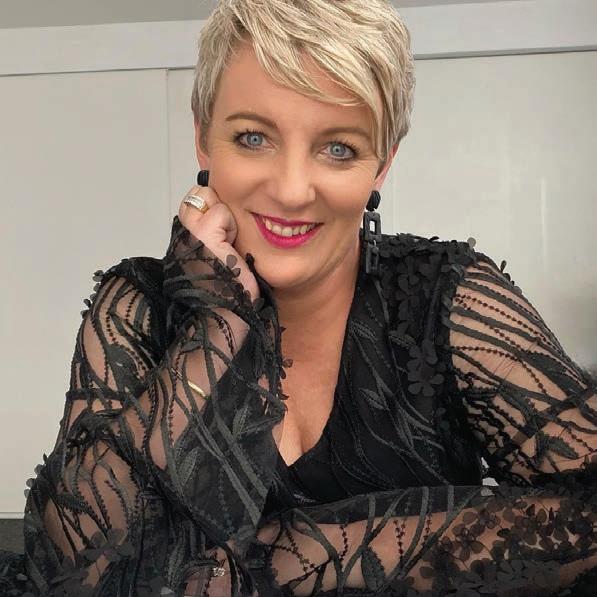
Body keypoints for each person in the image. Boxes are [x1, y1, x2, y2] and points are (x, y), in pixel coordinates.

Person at [1, 0, 597, 595]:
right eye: (253, 137)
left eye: (338, 148)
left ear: (381, 165)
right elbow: (71, 569)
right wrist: (216, 323)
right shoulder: (138, 307)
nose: (290, 191)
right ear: (204, 138)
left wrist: (286, 562)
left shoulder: (448, 297)